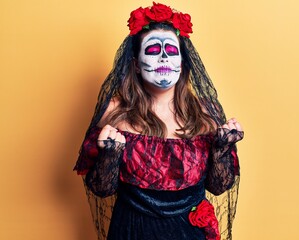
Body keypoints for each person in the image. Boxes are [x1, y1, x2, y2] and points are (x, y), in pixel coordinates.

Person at [74, 2, 244, 240]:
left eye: (171, 51)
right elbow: (101, 190)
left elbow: (218, 187)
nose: (164, 57)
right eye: (153, 50)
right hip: (133, 231)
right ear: (135, 64)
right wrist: (109, 154)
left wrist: (222, 149)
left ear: (182, 63)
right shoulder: (114, 111)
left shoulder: (207, 113)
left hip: (189, 233)